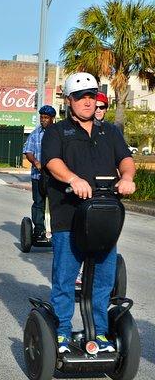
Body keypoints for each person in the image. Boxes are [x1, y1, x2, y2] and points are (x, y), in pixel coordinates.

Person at [41, 72, 136, 354]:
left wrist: (127, 177)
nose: (87, 101)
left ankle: (101, 333)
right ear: (69, 100)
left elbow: (125, 159)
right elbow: (52, 162)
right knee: (66, 278)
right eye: (80, 97)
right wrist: (73, 179)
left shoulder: (110, 132)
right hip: (69, 217)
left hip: (104, 218)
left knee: (105, 279)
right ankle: (61, 333)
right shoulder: (57, 132)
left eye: (91, 96)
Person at [23, 105, 56, 241]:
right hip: (38, 176)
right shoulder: (35, 134)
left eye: (46, 118)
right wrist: (36, 162)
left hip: (56, 177)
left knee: (56, 204)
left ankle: (55, 230)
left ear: (52, 118)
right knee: (38, 203)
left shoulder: (58, 133)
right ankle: (39, 230)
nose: (43, 120)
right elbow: (28, 152)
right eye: (42, 117)